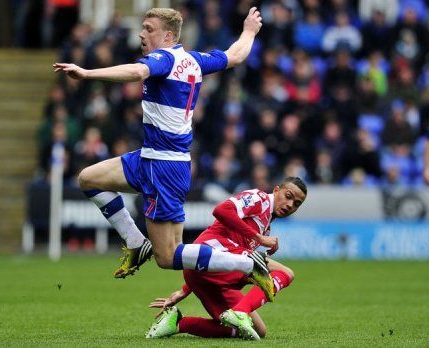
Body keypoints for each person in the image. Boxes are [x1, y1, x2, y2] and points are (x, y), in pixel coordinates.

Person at [53, 7, 276, 296]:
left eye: (148, 28)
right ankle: (135, 242)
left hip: (164, 165)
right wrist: (249, 31)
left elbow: (136, 70)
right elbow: (235, 55)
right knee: (88, 178)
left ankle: (247, 263)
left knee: (168, 257)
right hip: (151, 156)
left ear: (168, 35)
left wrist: (87, 73)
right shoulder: (195, 60)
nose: (141, 33)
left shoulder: (163, 58)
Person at [145, 177, 307, 340]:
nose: (290, 205)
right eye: (288, 196)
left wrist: (184, 290)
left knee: (257, 331)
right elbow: (221, 210)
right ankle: (239, 312)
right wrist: (258, 238)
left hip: (207, 274)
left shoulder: (266, 226)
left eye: (297, 203)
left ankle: (178, 323)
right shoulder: (259, 198)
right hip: (210, 253)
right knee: (285, 272)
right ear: (277, 190)